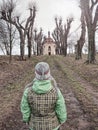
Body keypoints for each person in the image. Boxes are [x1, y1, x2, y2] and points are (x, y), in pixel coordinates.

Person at [20, 62, 67, 130]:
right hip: (53, 126)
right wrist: (62, 120)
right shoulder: (56, 91)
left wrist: (26, 119)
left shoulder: (27, 91)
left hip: (34, 126)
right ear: (49, 73)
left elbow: (25, 109)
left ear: (36, 73)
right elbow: (61, 108)